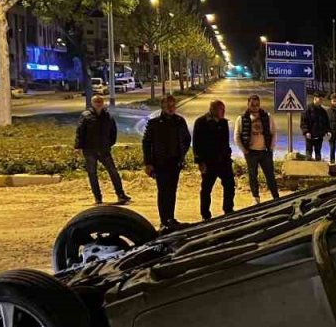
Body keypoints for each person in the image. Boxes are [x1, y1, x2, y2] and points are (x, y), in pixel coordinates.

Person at [142, 95, 191, 228]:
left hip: (175, 163)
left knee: (172, 191)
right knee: (163, 192)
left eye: (173, 105)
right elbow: (146, 143)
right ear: (162, 106)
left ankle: (171, 218)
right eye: (168, 105)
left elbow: (187, 139)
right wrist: (148, 163)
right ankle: (164, 221)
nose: (171, 108)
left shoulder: (180, 121)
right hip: (160, 163)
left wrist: (182, 155)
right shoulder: (154, 123)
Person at [74, 95, 131, 206]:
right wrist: (78, 147)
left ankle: (121, 195)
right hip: (89, 150)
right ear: (92, 103)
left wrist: (109, 144)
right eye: (96, 101)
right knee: (92, 174)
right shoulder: (86, 116)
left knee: (113, 172)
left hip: (104, 150)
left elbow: (113, 131)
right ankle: (98, 198)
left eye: (100, 101)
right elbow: (80, 132)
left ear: (103, 102)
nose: (98, 103)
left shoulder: (107, 116)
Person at [193, 100, 235, 221]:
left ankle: (228, 210)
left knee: (230, 185)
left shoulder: (223, 123)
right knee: (206, 189)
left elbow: (225, 142)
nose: (223, 112)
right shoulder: (201, 122)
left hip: (223, 162)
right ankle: (205, 215)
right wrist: (200, 162)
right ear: (212, 109)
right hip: (208, 162)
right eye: (221, 109)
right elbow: (196, 143)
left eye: (224, 109)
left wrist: (228, 155)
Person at [237, 94, 280, 202]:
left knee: (270, 175)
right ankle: (256, 198)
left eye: (257, 105)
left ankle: (276, 197)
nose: (255, 107)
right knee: (253, 176)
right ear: (248, 104)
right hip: (251, 153)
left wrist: (271, 148)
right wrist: (244, 150)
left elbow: (273, 132)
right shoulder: (242, 118)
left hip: (265, 152)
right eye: (252, 105)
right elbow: (237, 136)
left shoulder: (267, 117)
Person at [300, 93, 329, 161]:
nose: (322, 101)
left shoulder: (323, 111)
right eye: (320, 99)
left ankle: (318, 170)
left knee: (318, 154)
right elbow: (303, 122)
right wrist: (306, 132)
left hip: (319, 136)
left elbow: (326, 123)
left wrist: (327, 131)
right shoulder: (307, 109)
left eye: (322, 99)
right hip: (310, 136)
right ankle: (308, 169)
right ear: (315, 98)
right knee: (309, 154)